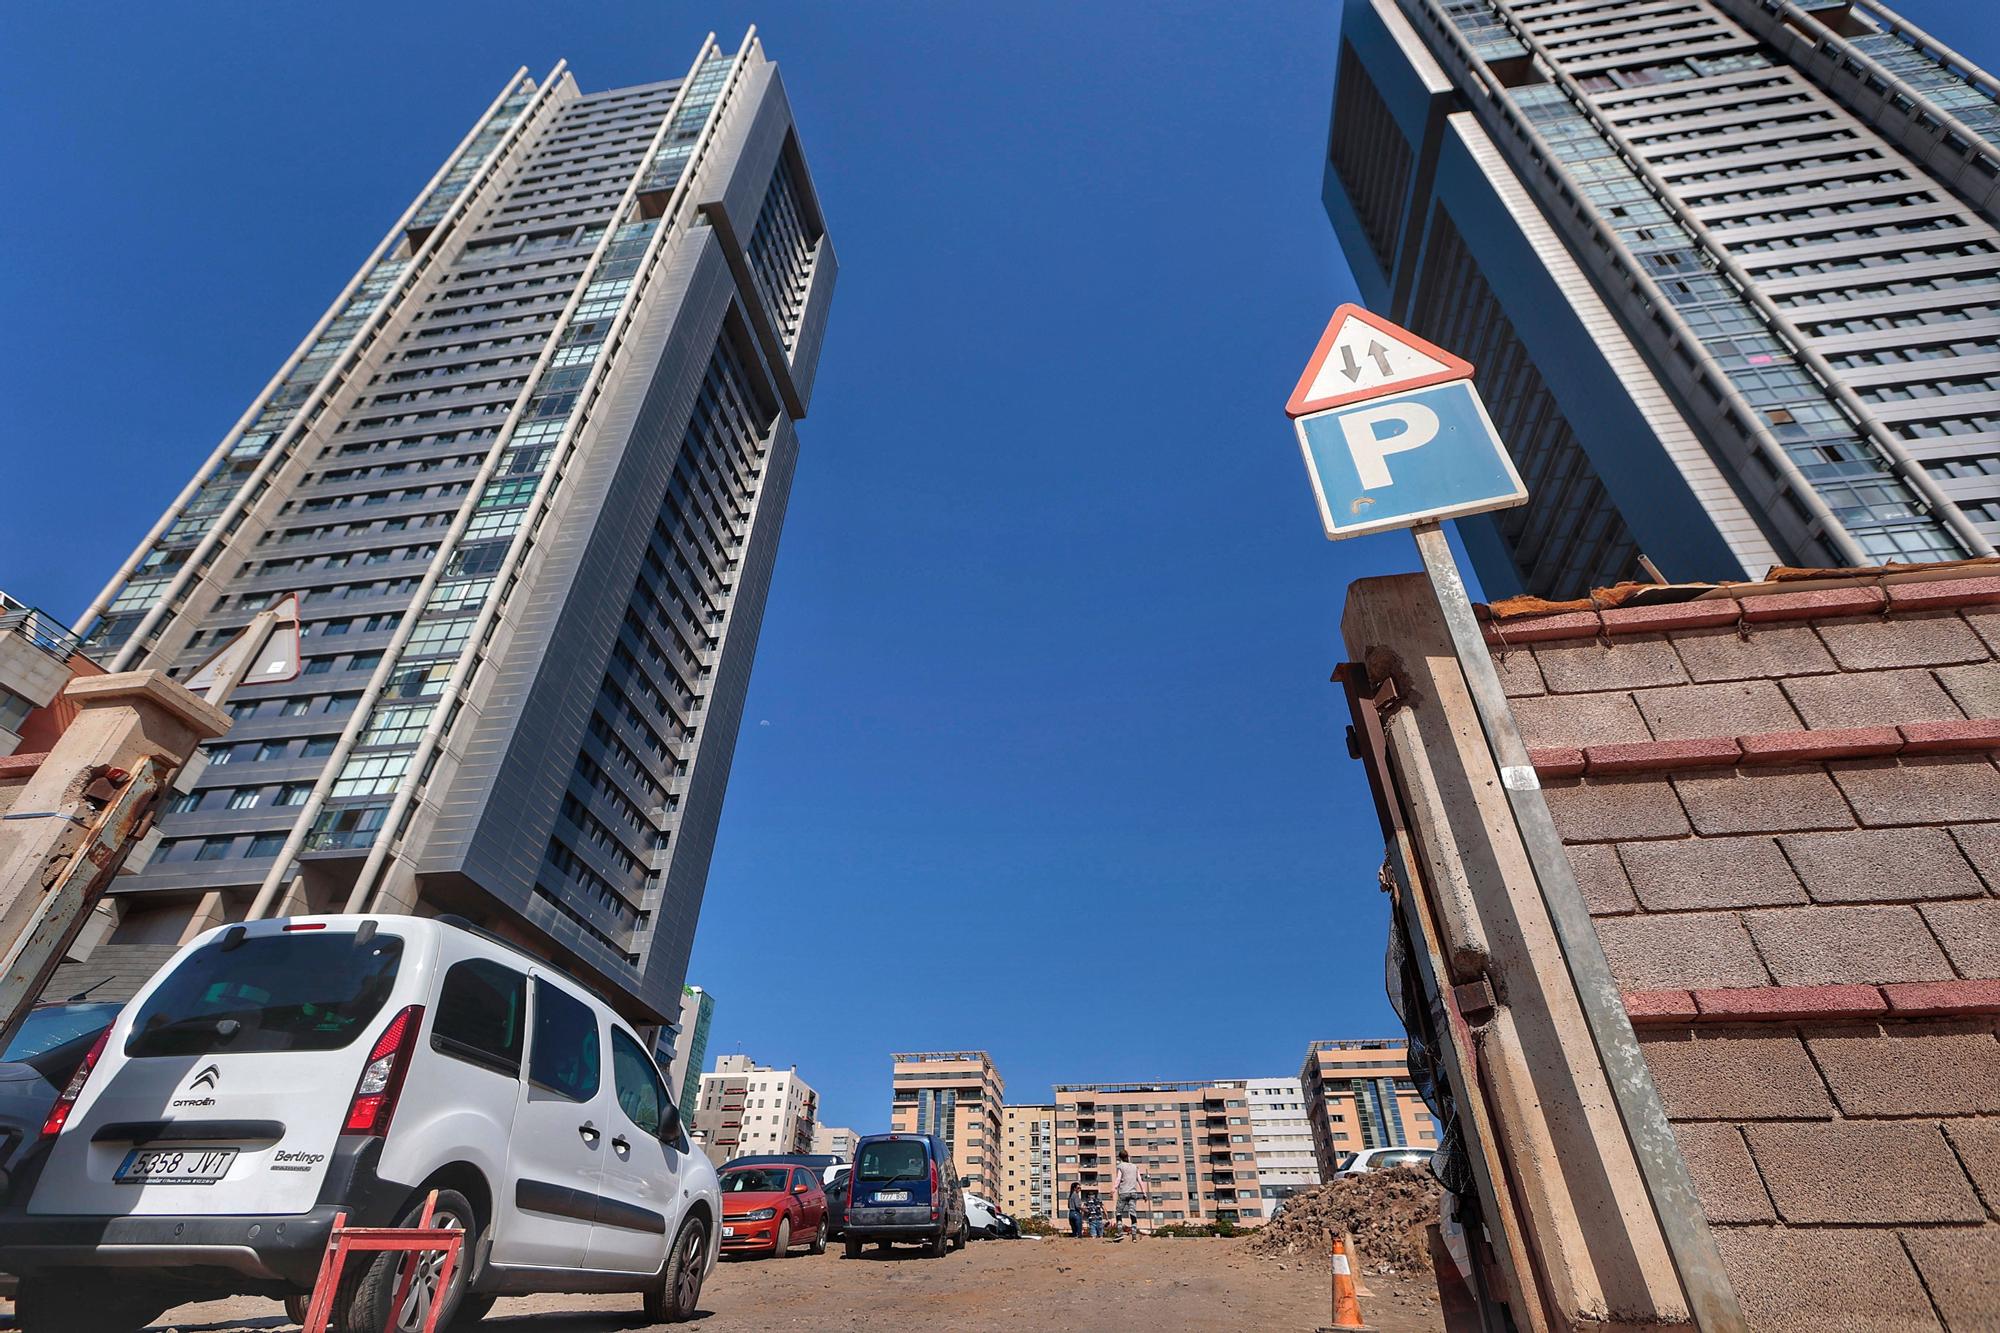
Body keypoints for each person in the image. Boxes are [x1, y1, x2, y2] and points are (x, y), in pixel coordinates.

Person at [1112, 1149, 1147, 1241]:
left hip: (1123, 1192)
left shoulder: (1120, 1166)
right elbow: (1139, 1180)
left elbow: (1118, 1179)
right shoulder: (1135, 1166)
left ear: (1120, 1158)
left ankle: (1120, 1233)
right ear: (1128, 1156)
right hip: (1133, 1193)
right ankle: (1134, 1236)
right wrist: (1144, 1193)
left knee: (1119, 1212)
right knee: (1132, 1213)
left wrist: (1114, 1189)